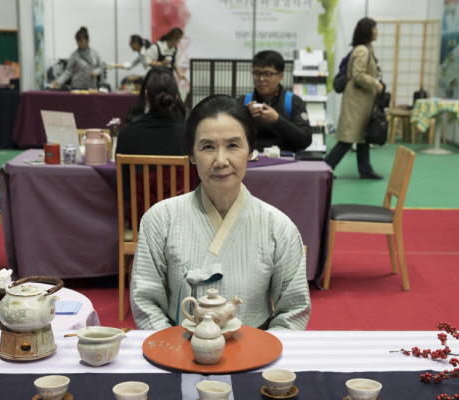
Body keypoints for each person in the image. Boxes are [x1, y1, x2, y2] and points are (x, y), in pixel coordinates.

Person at [130, 95, 311, 331]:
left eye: (233, 145)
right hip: (178, 348)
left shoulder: (278, 227)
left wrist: (263, 350)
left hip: (255, 350)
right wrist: (170, 348)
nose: (221, 160)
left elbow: (293, 310)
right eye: (207, 147)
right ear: (192, 154)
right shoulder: (160, 219)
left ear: (250, 151)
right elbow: (145, 300)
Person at [116, 68, 193, 226]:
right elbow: (195, 186)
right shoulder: (188, 136)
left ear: (146, 96)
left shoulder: (126, 135)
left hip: (140, 222)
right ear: (176, 98)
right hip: (179, 222)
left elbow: (123, 190)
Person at [324, 18, 384, 180]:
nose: (377, 31)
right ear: (368, 31)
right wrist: (375, 83)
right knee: (349, 137)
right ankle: (326, 167)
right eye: (374, 28)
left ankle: (365, 169)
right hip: (357, 100)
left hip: (361, 100)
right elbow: (358, 75)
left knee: (362, 135)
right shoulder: (362, 50)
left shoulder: (364, 48)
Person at [236, 50, 312, 152]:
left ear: (280, 76)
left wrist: (277, 120)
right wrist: (245, 118)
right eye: (257, 73)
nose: (261, 79)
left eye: (267, 74)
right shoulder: (243, 102)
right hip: (250, 162)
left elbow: (305, 140)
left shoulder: (293, 102)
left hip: (286, 163)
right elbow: (226, 137)